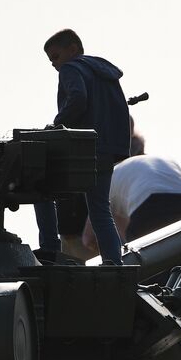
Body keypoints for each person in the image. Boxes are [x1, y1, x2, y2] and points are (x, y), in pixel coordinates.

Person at [39, 29, 129, 265]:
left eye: (56, 57)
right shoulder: (105, 72)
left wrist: (57, 124)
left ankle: (49, 253)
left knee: (41, 187)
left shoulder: (71, 68)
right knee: (100, 210)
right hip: (108, 149)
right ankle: (114, 263)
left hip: (84, 150)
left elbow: (78, 99)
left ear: (73, 50)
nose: (55, 65)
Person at [85, 151, 181, 245]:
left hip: (149, 203)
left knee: (148, 262)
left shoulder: (106, 181)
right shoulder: (157, 159)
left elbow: (88, 239)